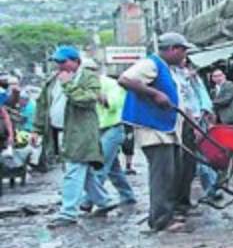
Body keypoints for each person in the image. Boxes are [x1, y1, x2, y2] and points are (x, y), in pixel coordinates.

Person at [119, 32, 193, 232]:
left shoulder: (167, 69)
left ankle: (168, 213)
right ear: (172, 49)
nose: (184, 55)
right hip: (155, 130)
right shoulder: (151, 64)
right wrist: (156, 94)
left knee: (173, 173)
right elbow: (125, 79)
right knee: (162, 176)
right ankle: (161, 220)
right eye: (183, 51)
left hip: (167, 129)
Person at [33, 46, 115, 228]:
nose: (59, 66)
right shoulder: (52, 80)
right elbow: (43, 105)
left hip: (82, 133)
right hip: (59, 132)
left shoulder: (88, 78)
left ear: (76, 61)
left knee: (74, 169)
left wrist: (68, 85)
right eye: (57, 62)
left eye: (63, 62)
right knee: (83, 172)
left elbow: (86, 100)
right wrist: (37, 129)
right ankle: (104, 200)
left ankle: (68, 212)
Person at [94, 61, 137, 208]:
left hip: (114, 127)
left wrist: (95, 93)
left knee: (100, 165)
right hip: (98, 129)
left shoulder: (112, 85)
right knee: (113, 168)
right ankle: (127, 195)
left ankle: (87, 200)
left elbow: (112, 105)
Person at [179, 61, 221, 206]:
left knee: (199, 158)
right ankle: (213, 187)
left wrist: (201, 120)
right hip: (196, 120)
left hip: (196, 121)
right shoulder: (191, 80)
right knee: (199, 158)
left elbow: (198, 103)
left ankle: (213, 188)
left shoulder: (191, 80)